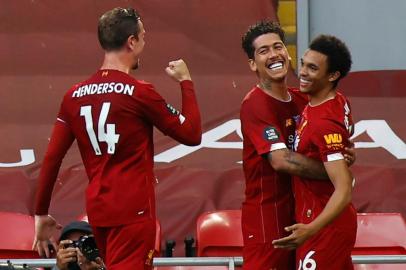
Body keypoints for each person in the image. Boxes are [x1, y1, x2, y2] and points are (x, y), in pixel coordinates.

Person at [33, 7, 202, 269]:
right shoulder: (139, 92)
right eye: (143, 37)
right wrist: (186, 82)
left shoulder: (73, 96)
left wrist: (41, 213)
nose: (144, 43)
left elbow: (52, 158)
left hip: (98, 214)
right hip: (133, 214)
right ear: (131, 41)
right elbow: (192, 134)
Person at [240, 22, 355, 270]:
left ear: (287, 52)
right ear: (252, 64)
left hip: (307, 216)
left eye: (278, 46)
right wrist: (336, 173)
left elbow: (336, 132)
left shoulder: (306, 99)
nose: (273, 55)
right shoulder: (255, 104)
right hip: (268, 220)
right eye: (263, 51)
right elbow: (281, 160)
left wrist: (343, 153)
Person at [272, 35, 356, 270]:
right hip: (325, 224)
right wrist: (345, 153)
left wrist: (311, 229)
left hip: (324, 229)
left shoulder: (324, 122)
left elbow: (344, 188)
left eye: (312, 68)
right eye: (302, 64)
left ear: (333, 76)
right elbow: (345, 135)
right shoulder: (337, 100)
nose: (303, 73)